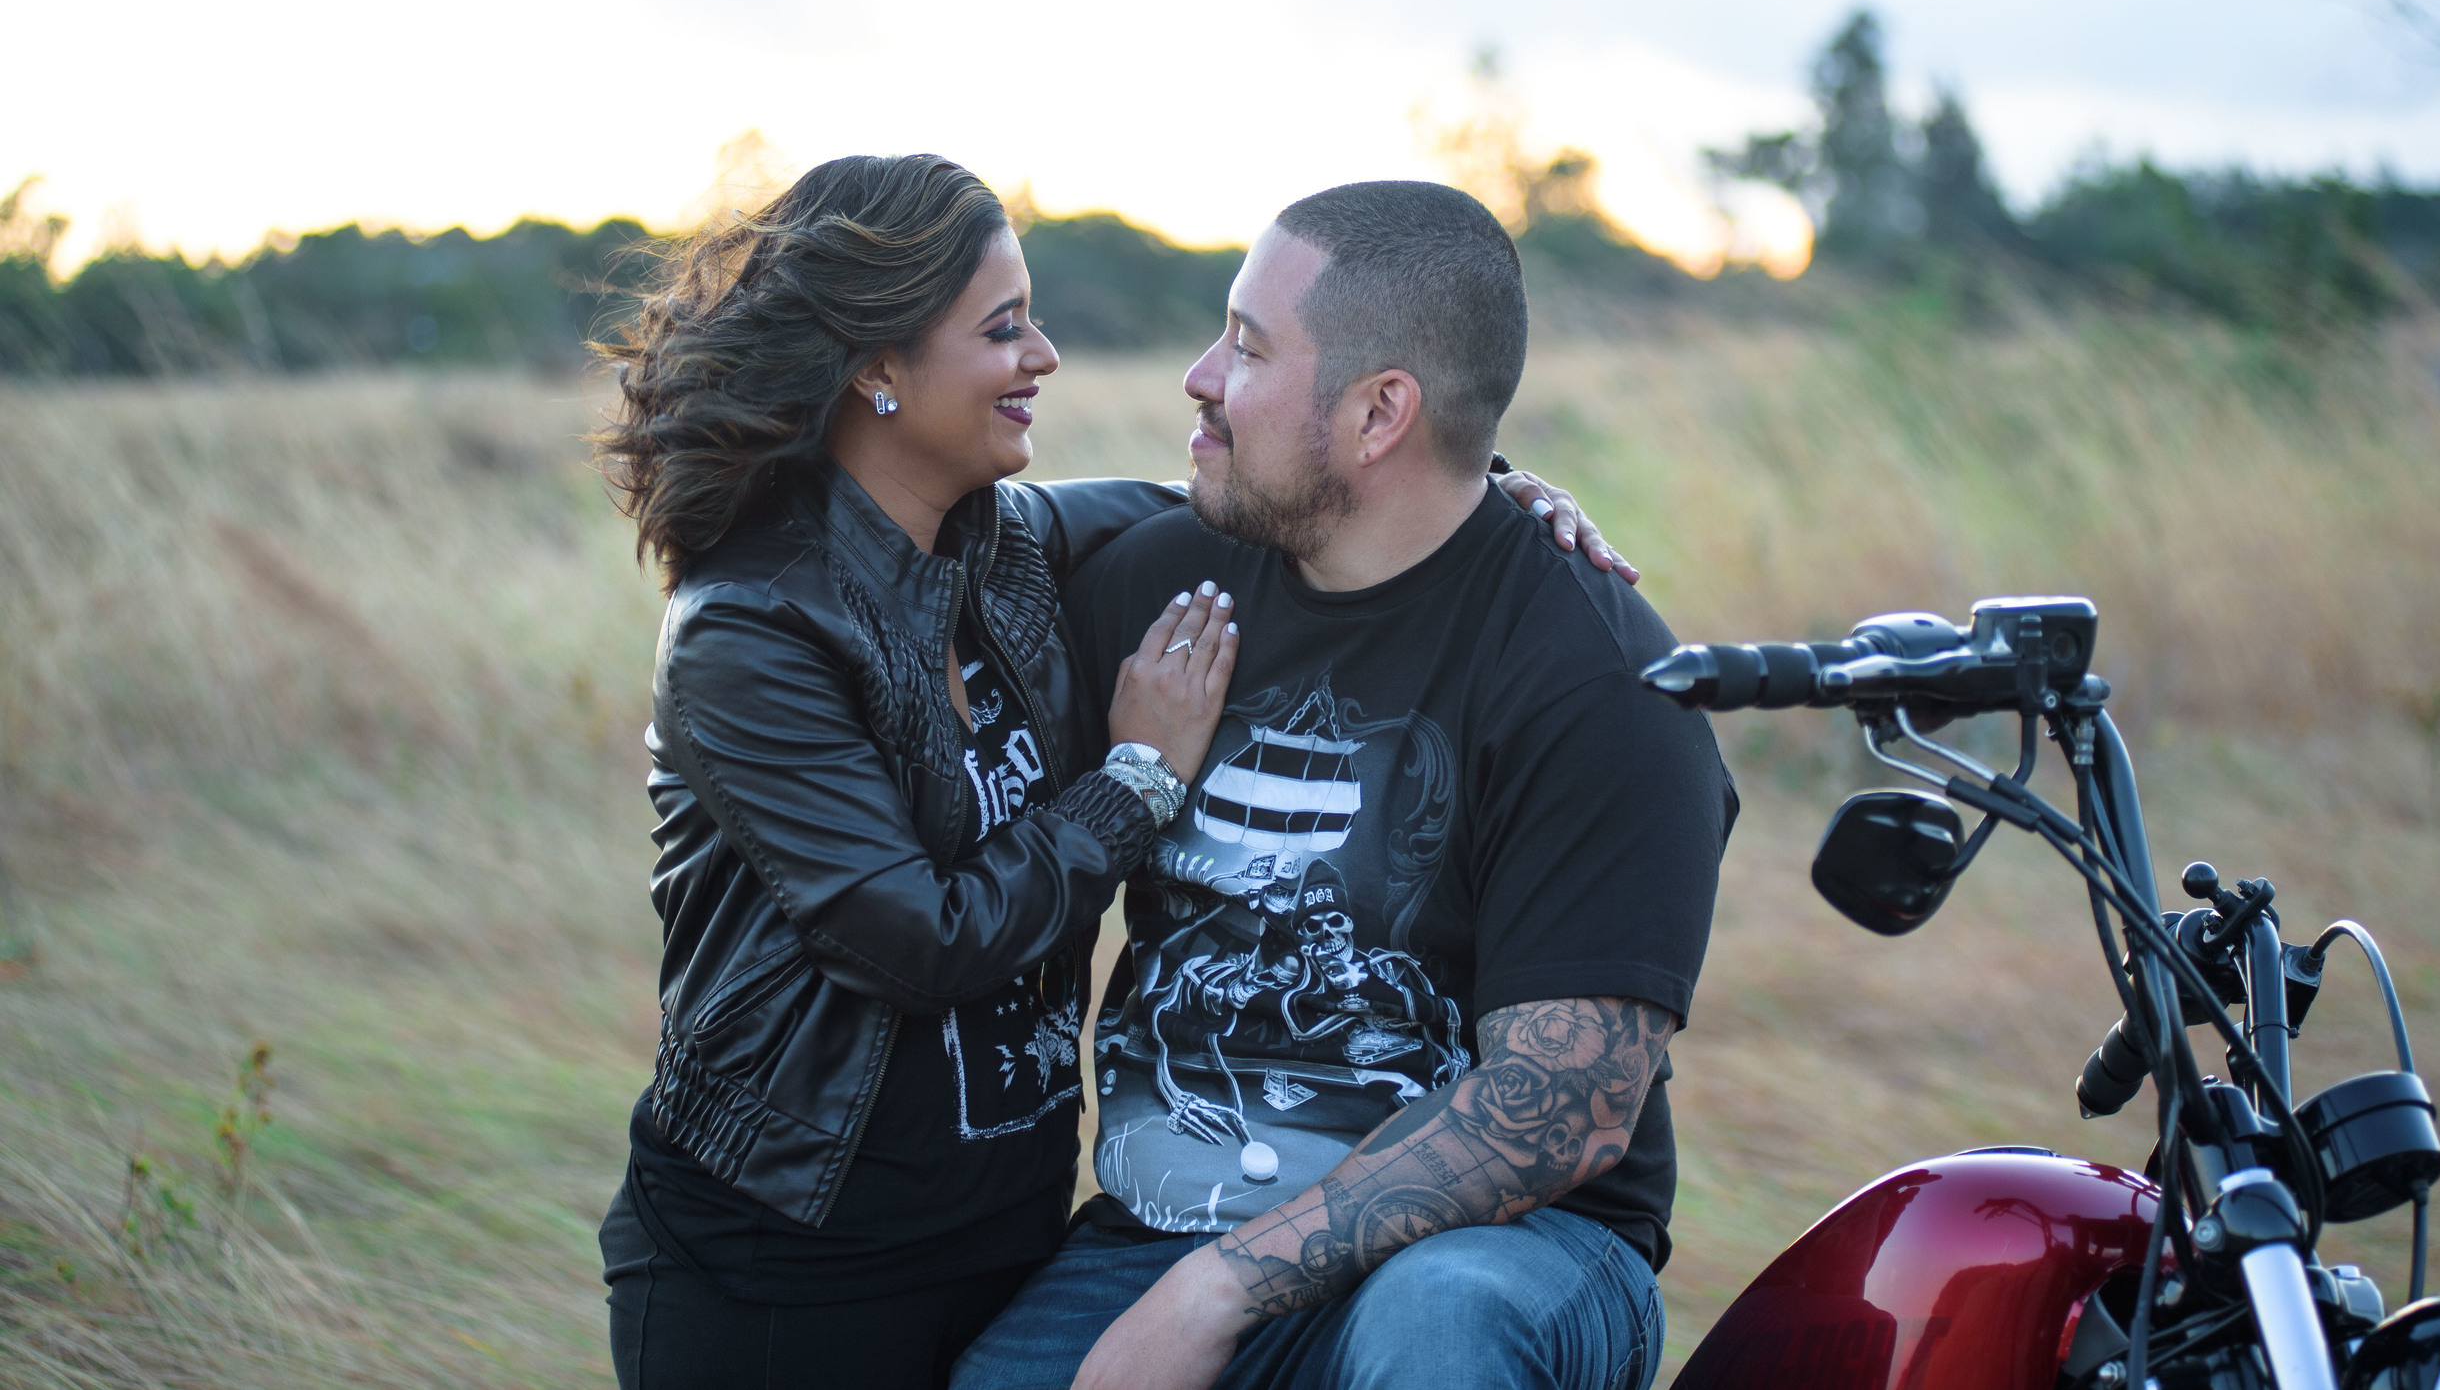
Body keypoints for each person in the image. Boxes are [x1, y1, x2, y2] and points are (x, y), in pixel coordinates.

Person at [586, 155, 1619, 1390]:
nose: (1045, 355)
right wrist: (1132, 782)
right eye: (1002, 326)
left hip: (999, 1235)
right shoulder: (750, 630)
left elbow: (1307, 490)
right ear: (877, 366)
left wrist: (1478, 481)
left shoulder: (1011, 547)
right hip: (787, 1253)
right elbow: (912, 936)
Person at [952, 179, 1740, 1390]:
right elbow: (913, 551)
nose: (1199, 375)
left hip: (1498, 1251)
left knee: (1436, 1330)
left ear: (1380, 413)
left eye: (1248, 347)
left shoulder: (1597, 676)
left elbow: (1563, 1102)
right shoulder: (1163, 584)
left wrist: (1214, 1295)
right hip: (1155, 1235)